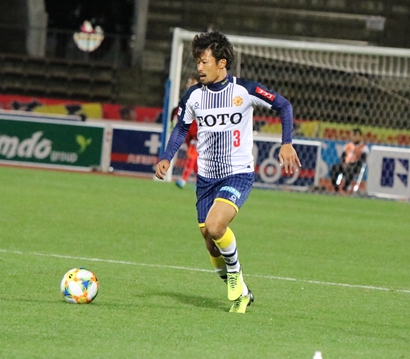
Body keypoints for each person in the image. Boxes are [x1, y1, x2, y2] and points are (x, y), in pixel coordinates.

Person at [155, 31, 301, 313]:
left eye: (205, 62)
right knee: (210, 243)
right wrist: (166, 157)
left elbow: (284, 105)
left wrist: (287, 142)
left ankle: (235, 274)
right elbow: (182, 128)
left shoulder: (244, 90)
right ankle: (242, 292)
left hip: (238, 173)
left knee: (215, 226)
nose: (199, 68)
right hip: (206, 178)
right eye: (198, 62)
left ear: (221, 63)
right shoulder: (193, 96)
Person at [175, 74, 201, 189]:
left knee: (192, 158)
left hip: (201, 136)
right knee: (195, 161)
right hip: (194, 136)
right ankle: (199, 183)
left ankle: (184, 179)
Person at [330, 128, 369, 194]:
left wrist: (353, 163)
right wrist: (343, 163)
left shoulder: (364, 147)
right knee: (333, 168)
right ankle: (335, 187)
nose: (354, 137)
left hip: (355, 166)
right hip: (345, 164)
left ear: (360, 136)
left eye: (356, 135)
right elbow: (343, 157)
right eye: (353, 135)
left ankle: (345, 188)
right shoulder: (347, 146)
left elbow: (362, 160)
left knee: (351, 169)